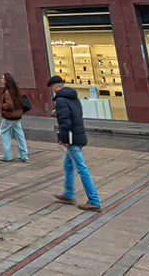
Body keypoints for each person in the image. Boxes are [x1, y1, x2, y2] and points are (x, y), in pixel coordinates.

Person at [48, 75, 101, 211]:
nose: (52, 90)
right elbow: (74, 115)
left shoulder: (60, 100)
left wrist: (63, 138)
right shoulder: (73, 97)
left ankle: (94, 201)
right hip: (78, 135)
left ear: (55, 87)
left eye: (52, 87)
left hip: (72, 139)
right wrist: (58, 113)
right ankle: (68, 193)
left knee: (82, 169)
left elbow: (65, 122)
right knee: (68, 164)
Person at [0, 72, 29, 163]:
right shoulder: (15, 89)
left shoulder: (7, 91)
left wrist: (2, 106)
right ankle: (23, 155)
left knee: (4, 133)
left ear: (6, 80)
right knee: (20, 135)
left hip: (10, 116)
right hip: (18, 115)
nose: (1, 79)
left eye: (2, 78)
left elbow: (9, 105)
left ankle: (7, 155)